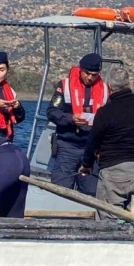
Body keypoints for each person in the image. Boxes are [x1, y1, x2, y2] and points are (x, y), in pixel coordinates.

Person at [79, 66, 134, 219]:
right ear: (128, 84)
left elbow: (92, 143)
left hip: (114, 172)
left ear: (109, 87)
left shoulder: (105, 112)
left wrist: (86, 165)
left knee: (109, 218)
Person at [46, 53, 109, 196]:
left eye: (94, 74)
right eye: (87, 73)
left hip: (91, 150)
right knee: (60, 192)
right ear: (80, 69)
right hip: (68, 146)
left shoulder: (105, 90)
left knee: (90, 193)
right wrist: (71, 118)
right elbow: (51, 111)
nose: (90, 77)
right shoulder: (64, 85)